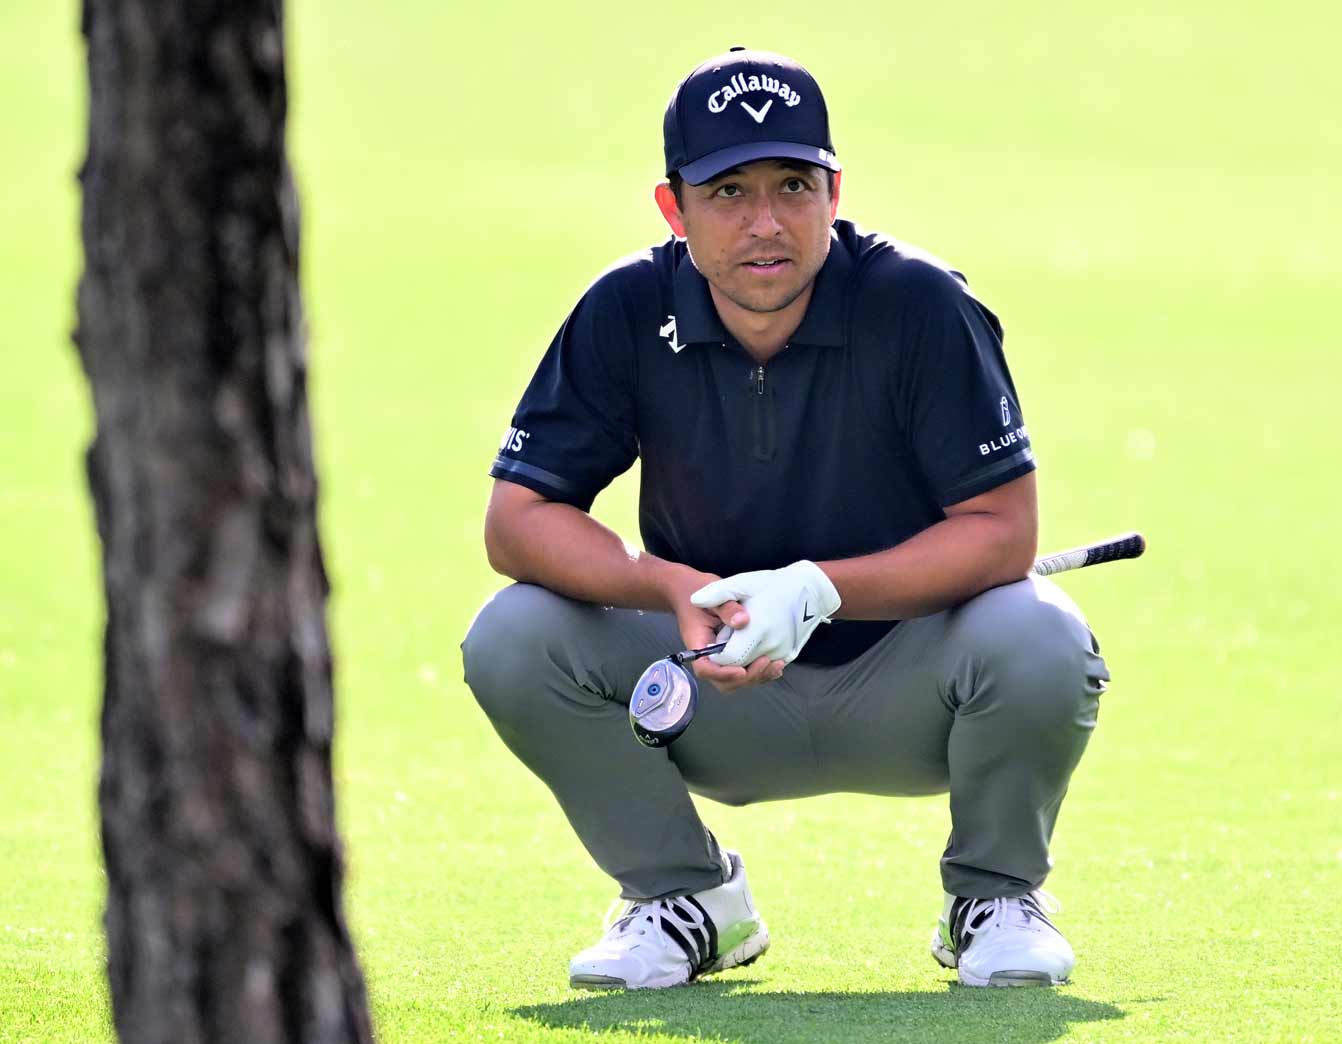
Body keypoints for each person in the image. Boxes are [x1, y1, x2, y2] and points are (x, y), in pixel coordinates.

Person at [461, 47, 1109, 990]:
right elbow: (516, 521)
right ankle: (684, 897)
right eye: (726, 192)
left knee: (1040, 634)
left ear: (834, 192)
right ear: (672, 207)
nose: (765, 223)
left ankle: (993, 896)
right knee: (512, 634)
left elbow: (1003, 531)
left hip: (910, 683)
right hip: (707, 687)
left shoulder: (919, 304)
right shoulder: (627, 309)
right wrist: (667, 587)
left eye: (793, 185)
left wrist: (817, 590)